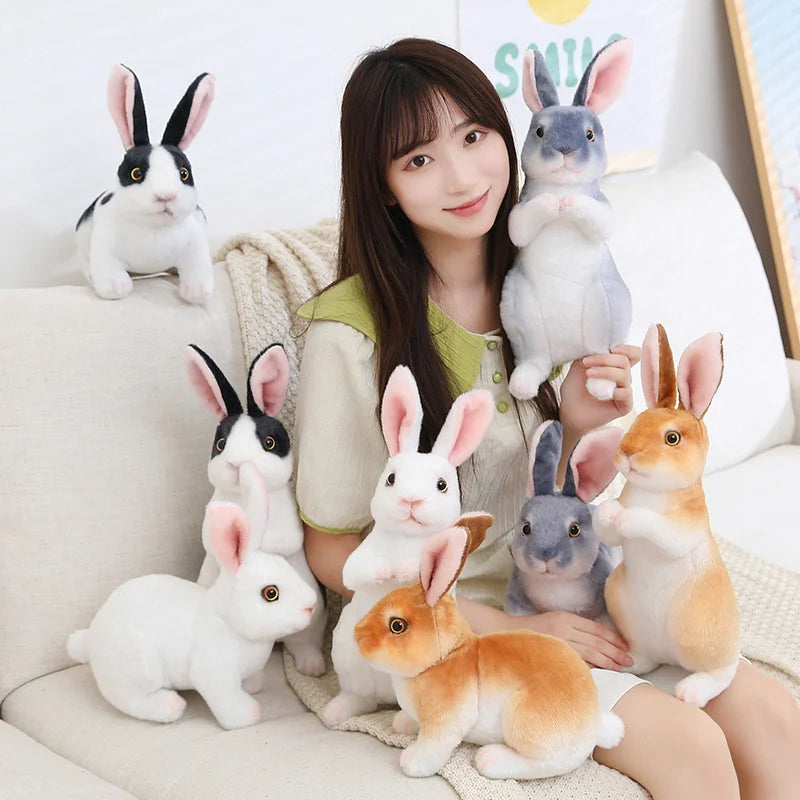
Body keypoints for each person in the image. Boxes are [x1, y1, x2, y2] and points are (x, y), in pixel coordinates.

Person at [293, 37, 800, 800]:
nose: (462, 176)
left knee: (772, 717)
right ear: (383, 187)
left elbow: (543, 498)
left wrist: (581, 419)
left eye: (473, 136)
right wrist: (510, 629)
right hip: (456, 631)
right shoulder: (349, 334)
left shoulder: (545, 277)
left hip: (570, 585)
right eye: (419, 159)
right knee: (693, 751)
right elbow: (331, 551)